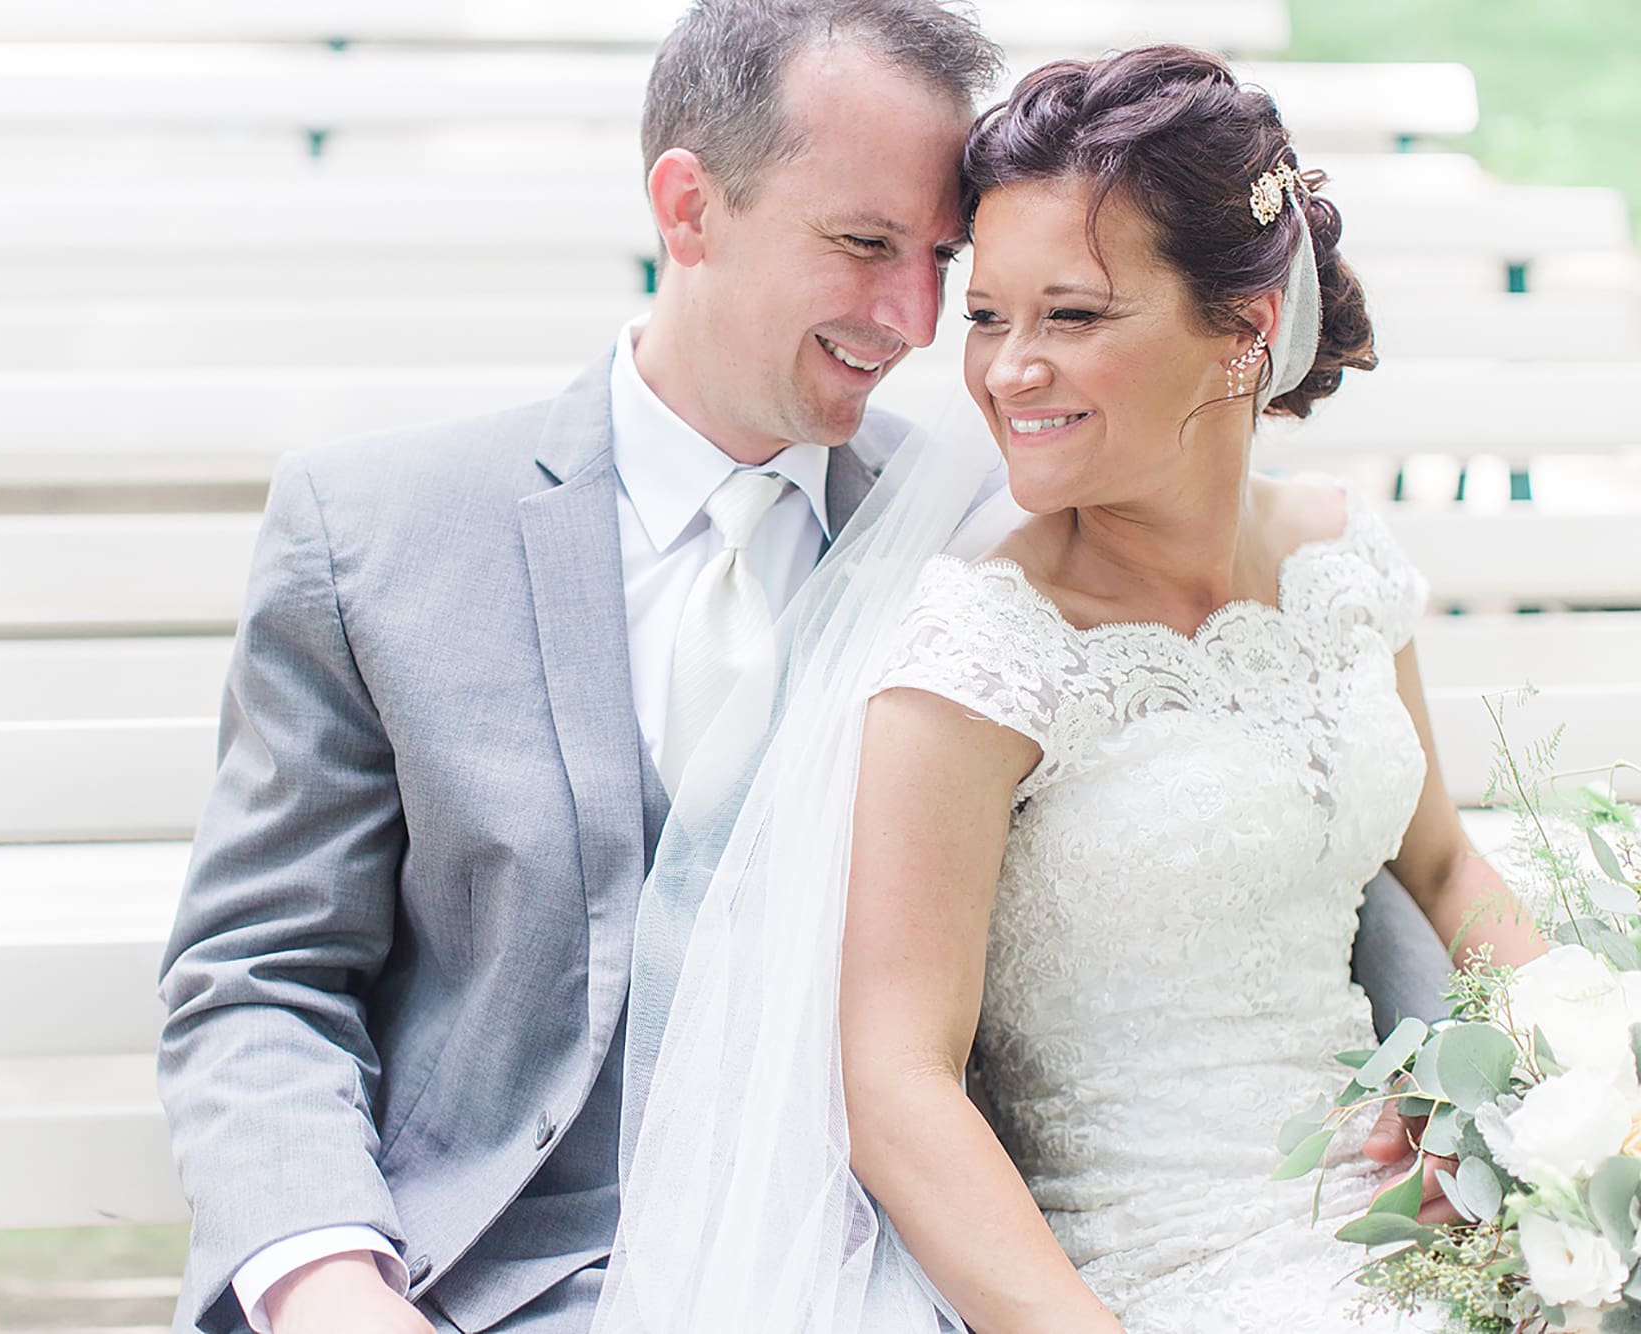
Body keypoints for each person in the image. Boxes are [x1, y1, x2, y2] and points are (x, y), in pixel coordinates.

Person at [596, 45, 1546, 1334]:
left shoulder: (1340, 562)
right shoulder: (975, 653)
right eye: (989, 314)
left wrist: (1541, 1090)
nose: (1005, 370)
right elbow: (895, 1083)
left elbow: (1442, 871)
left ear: (1247, 330)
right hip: (1156, 1278)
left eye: (1075, 316)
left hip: (1413, 1228)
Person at [155, 4, 1001, 1332]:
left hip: (884, 1279)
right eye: (863, 242)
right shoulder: (373, 532)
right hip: (491, 1284)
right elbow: (262, 974)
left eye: (943, 257)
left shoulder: (982, 533)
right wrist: (332, 1285)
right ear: (688, 208)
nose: (914, 315)